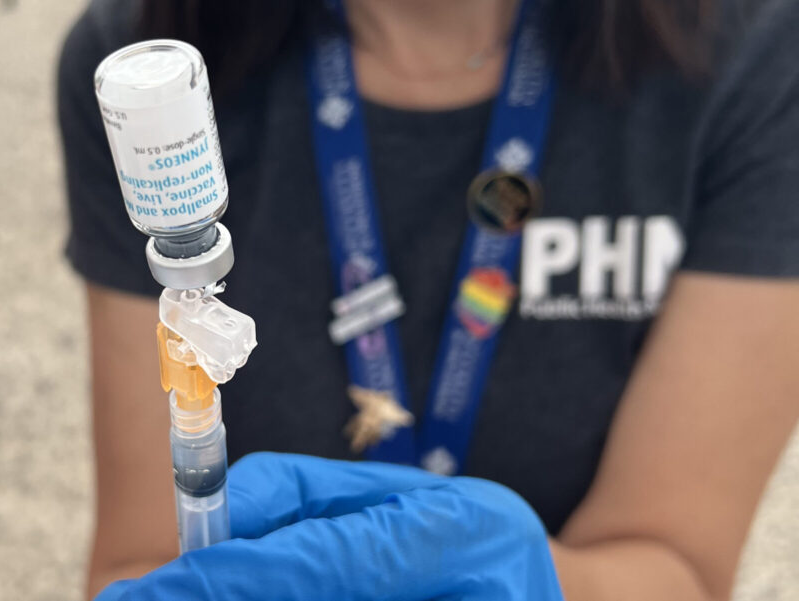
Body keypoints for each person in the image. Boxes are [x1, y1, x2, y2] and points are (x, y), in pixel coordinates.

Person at [57, 0, 799, 599]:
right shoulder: (158, 55)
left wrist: (544, 583)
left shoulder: (748, 55)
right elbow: (140, 561)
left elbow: (679, 568)